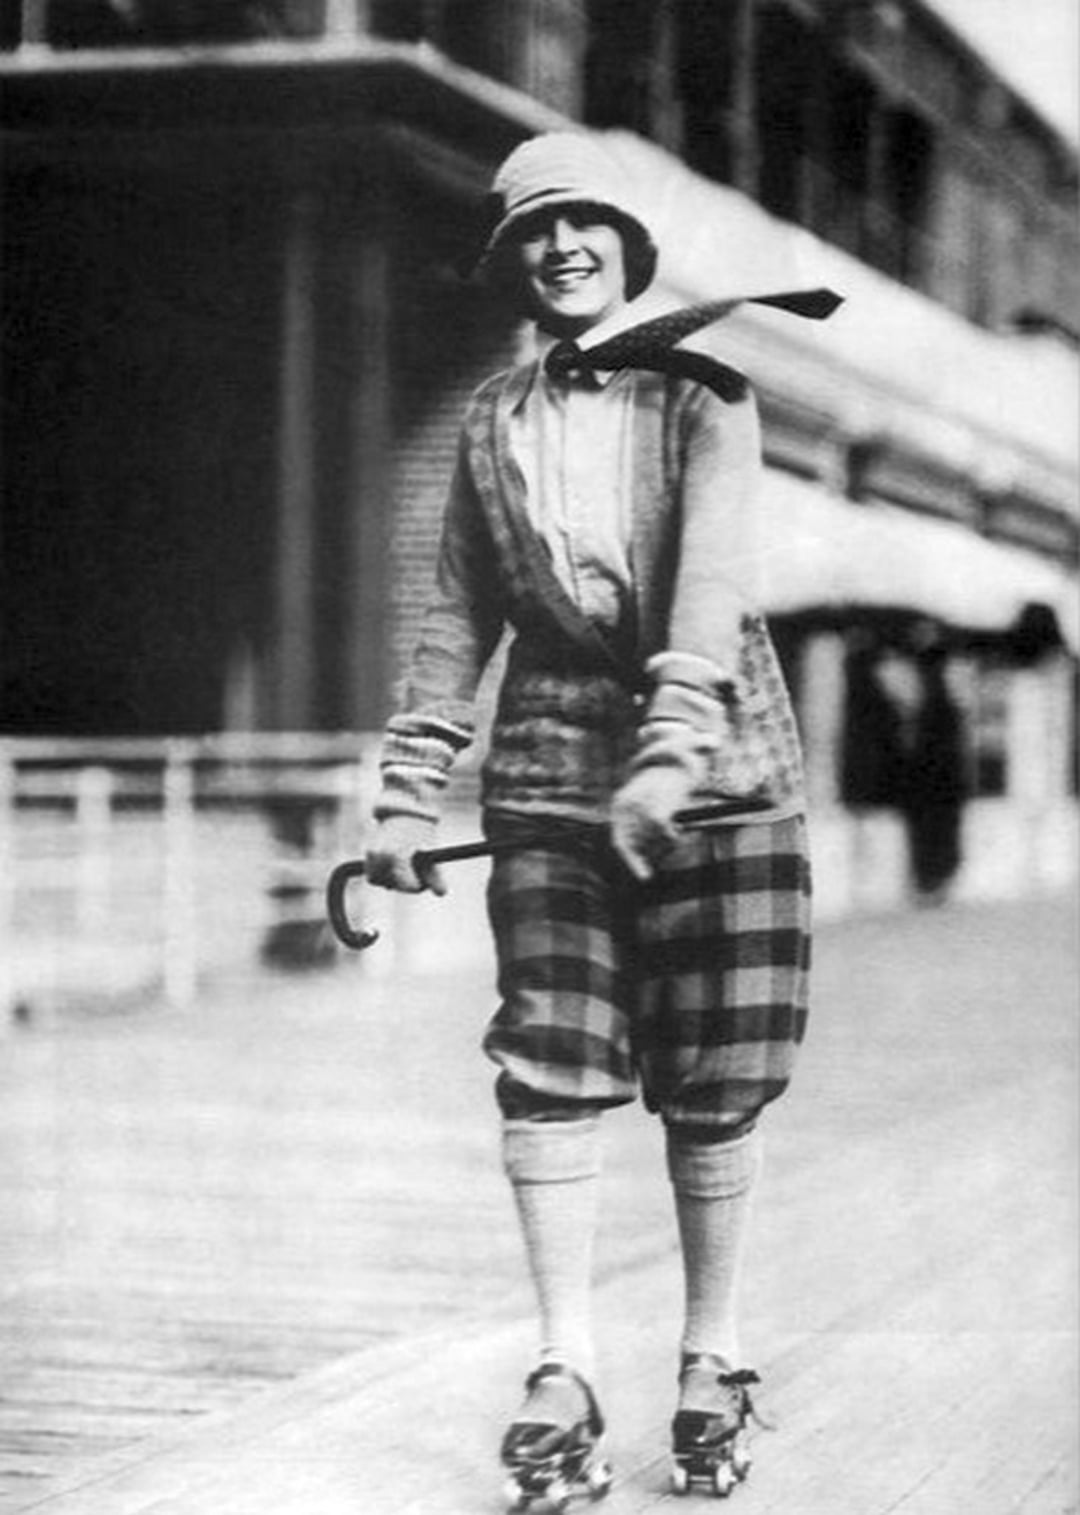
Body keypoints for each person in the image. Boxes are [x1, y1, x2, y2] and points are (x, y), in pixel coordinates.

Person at [365, 132, 814, 1504]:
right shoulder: (492, 418)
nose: (561, 248)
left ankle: (710, 1359)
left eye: (584, 225)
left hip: (722, 782)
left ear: (628, 245)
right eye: (534, 232)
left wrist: (673, 754)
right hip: (549, 782)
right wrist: (407, 791)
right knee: (549, 1062)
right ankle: (563, 1366)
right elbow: (458, 611)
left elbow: (712, 584)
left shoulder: (706, 394)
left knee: (715, 1076)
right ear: (512, 261)